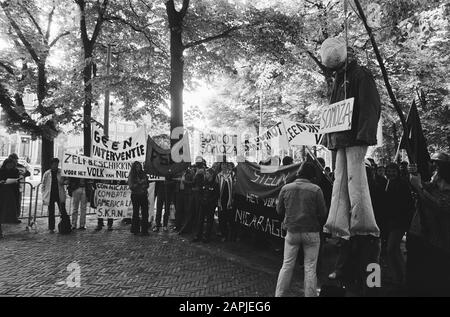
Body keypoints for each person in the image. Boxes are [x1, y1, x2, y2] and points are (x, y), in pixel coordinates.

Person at [275, 162, 328, 297]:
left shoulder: (286, 188)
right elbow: (323, 213)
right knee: (310, 268)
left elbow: (279, 210)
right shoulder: (316, 189)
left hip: (292, 230)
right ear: (312, 175)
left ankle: (279, 295)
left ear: (299, 172)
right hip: (311, 231)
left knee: (287, 265)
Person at [406, 152, 450, 296]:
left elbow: (440, 205)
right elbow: (426, 187)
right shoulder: (436, 177)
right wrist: (414, 176)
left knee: (438, 278)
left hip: (441, 237)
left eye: (437, 163)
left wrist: (419, 187)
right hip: (425, 234)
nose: (433, 165)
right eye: (433, 162)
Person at [384, 162, 414, 287]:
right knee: (394, 250)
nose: (391, 173)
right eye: (389, 171)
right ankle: (399, 277)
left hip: (399, 222)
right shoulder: (388, 184)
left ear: (397, 172)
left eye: (393, 171)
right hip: (392, 222)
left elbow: (406, 204)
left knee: (391, 249)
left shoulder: (402, 184)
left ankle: (402, 277)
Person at [41, 158, 68, 234]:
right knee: (51, 212)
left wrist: (64, 182)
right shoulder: (47, 173)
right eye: (54, 164)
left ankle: (65, 225)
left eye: (57, 164)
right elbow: (43, 184)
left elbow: (67, 180)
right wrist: (44, 194)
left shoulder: (61, 172)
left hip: (59, 194)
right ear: (51, 165)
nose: (55, 166)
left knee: (62, 210)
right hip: (51, 195)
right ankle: (51, 228)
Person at [193, 168, 219, 243]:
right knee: (200, 220)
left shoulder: (215, 184)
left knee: (209, 221)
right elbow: (200, 193)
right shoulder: (203, 182)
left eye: (207, 174)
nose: (206, 175)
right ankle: (198, 235)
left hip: (210, 205)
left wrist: (209, 201)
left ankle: (207, 237)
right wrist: (202, 200)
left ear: (211, 175)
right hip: (202, 204)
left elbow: (216, 195)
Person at [128, 161, 150, 236]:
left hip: (143, 195)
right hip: (135, 195)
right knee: (136, 213)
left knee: (145, 213)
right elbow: (131, 186)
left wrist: (144, 185)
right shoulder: (131, 175)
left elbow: (147, 184)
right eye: (137, 167)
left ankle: (144, 230)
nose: (138, 168)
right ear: (134, 168)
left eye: (139, 167)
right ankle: (135, 229)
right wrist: (140, 183)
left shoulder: (143, 174)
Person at [9, 153, 30, 222]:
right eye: (13, 159)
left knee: (17, 202)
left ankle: (16, 217)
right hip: (8, 187)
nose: (15, 161)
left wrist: (24, 173)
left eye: (15, 159)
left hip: (19, 187)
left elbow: (28, 173)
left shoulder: (21, 166)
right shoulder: (7, 166)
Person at [216, 162, 234, 242]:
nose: (223, 167)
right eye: (222, 165)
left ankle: (231, 235)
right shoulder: (218, 175)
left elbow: (234, 186)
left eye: (225, 165)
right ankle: (224, 234)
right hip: (221, 200)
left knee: (230, 218)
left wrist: (233, 198)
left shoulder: (232, 175)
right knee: (221, 218)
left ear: (227, 166)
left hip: (230, 199)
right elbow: (216, 187)